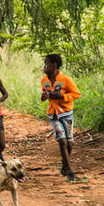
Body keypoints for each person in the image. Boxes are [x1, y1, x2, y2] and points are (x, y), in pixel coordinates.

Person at [40, 53, 81, 181]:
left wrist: (62, 97)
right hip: (53, 114)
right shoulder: (44, 81)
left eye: (47, 64)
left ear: (54, 65)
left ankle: (65, 165)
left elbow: (76, 94)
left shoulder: (66, 80)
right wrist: (44, 97)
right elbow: (43, 95)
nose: (45, 67)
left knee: (69, 142)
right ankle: (70, 171)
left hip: (66, 113)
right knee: (62, 141)